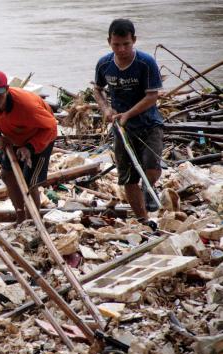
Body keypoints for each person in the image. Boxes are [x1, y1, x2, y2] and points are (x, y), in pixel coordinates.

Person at [93, 18, 164, 224]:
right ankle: (143, 220)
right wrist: (106, 108)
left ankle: (149, 189)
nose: (121, 49)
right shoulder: (104, 64)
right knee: (127, 177)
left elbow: (152, 96)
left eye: (126, 44)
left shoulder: (145, 63)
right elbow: (97, 89)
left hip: (149, 124)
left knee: (151, 167)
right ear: (109, 42)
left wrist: (128, 114)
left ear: (134, 40)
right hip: (121, 128)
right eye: (116, 44)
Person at [0, 70, 57, 223]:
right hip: (11, 136)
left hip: (39, 137)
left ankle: (33, 221)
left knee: (30, 182)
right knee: (7, 175)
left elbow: (51, 128)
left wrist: (30, 148)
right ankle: (20, 217)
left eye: (0, 94)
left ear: (7, 90)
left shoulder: (26, 105)